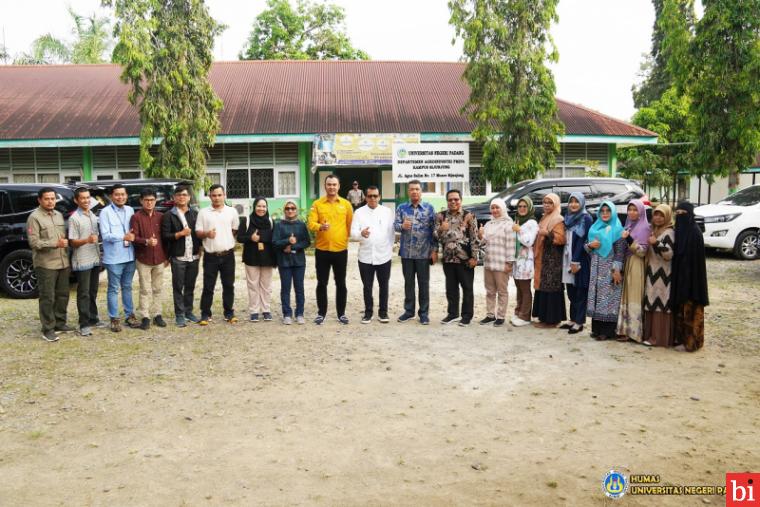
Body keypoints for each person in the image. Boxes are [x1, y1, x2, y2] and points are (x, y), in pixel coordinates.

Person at [27, 187, 72, 342]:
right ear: (40, 200)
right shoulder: (34, 217)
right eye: (47, 198)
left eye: (53, 198)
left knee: (63, 295)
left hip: (62, 262)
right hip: (45, 264)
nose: (50, 201)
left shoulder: (58, 215)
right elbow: (34, 242)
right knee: (47, 297)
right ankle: (48, 329)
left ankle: (60, 323)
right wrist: (55, 243)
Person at [307, 174, 353, 325]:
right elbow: (311, 224)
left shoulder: (346, 204)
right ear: (325, 186)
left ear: (339, 186)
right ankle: (321, 313)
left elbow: (350, 225)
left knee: (341, 283)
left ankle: (341, 314)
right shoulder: (317, 204)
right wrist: (321, 227)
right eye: (329, 184)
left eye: (334, 184)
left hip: (340, 250)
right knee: (322, 283)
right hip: (322, 250)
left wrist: (343, 239)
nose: (332, 187)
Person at [394, 179, 437, 325]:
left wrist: (434, 250)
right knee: (409, 283)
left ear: (421, 191)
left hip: (423, 254)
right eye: (412, 189)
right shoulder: (401, 208)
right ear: (408, 191)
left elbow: (434, 231)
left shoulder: (429, 208)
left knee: (423, 284)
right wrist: (402, 226)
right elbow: (395, 225)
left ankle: (424, 313)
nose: (414, 192)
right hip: (406, 253)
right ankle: (409, 311)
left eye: (417, 189)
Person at [434, 188, 480, 326]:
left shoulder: (469, 216)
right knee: (451, 288)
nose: (453, 202)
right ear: (447, 201)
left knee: (467, 287)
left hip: (465, 259)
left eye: (456, 199)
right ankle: (452, 314)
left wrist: (475, 257)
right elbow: (435, 236)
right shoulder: (440, 216)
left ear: (461, 200)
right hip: (448, 258)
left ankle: (466, 316)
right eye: (450, 199)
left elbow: (474, 237)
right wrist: (442, 229)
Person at [350, 185, 395, 324]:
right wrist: (360, 234)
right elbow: (352, 233)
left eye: (375, 196)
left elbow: (391, 233)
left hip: (384, 256)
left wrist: (388, 248)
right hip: (365, 256)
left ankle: (383, 313)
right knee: (367, 286)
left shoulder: (387, 211)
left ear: (379, 197)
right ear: (365, 198)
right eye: (370, 196)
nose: (373, 198)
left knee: (384, 285)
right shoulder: (358, 213)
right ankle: (368, 313)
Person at [196, 184, 239, 325]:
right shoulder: (203, 212)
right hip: (210, 256)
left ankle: (229, 312)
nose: (217, 198)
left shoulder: (232, 211)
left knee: (228, 285)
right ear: (210, 196)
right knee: (208, 286)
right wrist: (207, 234)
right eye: (214, 195)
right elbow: (198, 232)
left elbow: (234, 230)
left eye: (219, 195)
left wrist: (224, 240)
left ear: (224, 195)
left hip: (228, 255)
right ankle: (205, 313)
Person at [99, 183, 139, 332]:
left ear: (126, 196)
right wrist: (124, 236)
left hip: (130, 256)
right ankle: (114, 318)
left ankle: (130, 316)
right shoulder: (105, 212)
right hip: (114, 257)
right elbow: (106, 235)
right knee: (114, 288)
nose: (120, 197)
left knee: (128, 287)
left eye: (123, 194)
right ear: (111, 196)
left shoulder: (130, 210)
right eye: (117, 194)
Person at [161, 184, 201, 327]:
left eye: (184, 195)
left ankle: (188, 312)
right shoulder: (168, 215)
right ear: (174, 198)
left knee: (190, 286)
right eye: (179, 195)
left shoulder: (195, 213)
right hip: (178, 257)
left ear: (189, 197)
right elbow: (165, 236)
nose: (182, 197)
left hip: (194, 256)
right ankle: (179, 315)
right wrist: (179, 234)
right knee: (178, 286)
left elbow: (199, 234)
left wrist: (200, 250)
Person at [586, 201, 626, 341]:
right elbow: (587, 248)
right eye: (602, 211)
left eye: (608, 211)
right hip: (595, 269)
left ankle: (607, 331)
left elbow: (620, 252)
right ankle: (596, 329)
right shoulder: (594, 228)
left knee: (609, 300)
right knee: (597, 298)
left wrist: (617, 271)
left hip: (610, 269)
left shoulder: (618, 230)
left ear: (613, 212)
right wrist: (590, 245)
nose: (604, 213)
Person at [672, 201, 709, 352]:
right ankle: (682, 340)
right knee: (681, 310)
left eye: (683, 213)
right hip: (681, 278)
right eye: (677, 213)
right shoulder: (679, 231)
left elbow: (696, 262)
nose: (680, 216)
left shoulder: (694, 233)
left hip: (693, 281)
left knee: (692, 311)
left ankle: (692, 343)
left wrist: (688, 279)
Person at [68, 187, 104, 336]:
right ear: (76, 200)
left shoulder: (92, 215)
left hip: (95, 258)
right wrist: (87, 240)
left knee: (93, 291)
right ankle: (83, 324)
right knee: (83, 292)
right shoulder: (74, 218)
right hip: (82, 260)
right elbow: (72, 242)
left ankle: (93, 318)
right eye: (82, 198)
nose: (86, 200)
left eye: (88, 197)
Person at [130, 187, 168, 330]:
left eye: (152, 200)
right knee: (145, 289)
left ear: (155, 200)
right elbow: (134, 238)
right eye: (146, 200)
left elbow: (165, 238)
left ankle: (157, 314)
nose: (149, 203)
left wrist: (166, 256)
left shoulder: (160, 216)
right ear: (141, 201)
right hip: (143, 259)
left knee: (158, 288)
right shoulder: (136, 217)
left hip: (159, 258)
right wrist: (146, 241)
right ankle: (145, 316)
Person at [616, 199, 650, 343]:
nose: (632, 212)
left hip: (637, 264)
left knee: (634, 296)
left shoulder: (645, 228)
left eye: (635, 210)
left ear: (641, 211)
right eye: (630, 209)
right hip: (627, 263)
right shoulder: (628, 225)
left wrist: (629, 239)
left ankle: (635, 333)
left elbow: (642, 252)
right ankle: (624, 330)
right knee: (626, 296)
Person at [477, 198, 515, 327]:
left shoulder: (508, 224)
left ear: (503, 208)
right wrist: (480, 235)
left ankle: (501, 316)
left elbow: (511, 245)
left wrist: (509, 263)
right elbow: (482, 243)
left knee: (502, 291)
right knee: (490, 291)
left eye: (497, 207)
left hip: (501, 264)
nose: (495, 210)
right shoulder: (488, 224)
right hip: (488, 263)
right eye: (492, 208)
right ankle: (490, 315)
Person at [239, 197, 277, 322]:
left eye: (264, 206)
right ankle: (254, 311)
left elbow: (274, 238)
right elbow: (240, 238)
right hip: (251, 257)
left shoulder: (271, 221)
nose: (261, 209)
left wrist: (262, 238)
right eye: (259, 206)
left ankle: (266, 310)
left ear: (267, 208)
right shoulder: (246, 220)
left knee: (266, 285)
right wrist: (251, 238)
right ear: (254, 207)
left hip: (268, 257)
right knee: (253, 285)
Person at [272, 200, 310, 325]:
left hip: (299, 261)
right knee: (285, 288)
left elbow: (307, 242)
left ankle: (300, 313)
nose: (290, 210)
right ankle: (287, 314)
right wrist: (287, 241)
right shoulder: (279, 224)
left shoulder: (301, 224)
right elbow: (275, 242)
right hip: (284, 262)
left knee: (299, 288)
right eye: (288, 208)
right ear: (284, 210)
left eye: (293, 208)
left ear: (296, 210)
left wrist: (293, 247)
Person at [532, 193, 567, 328]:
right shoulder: (544, 217)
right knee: (542, 287)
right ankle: (543, 318)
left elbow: (560, 239)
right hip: (543, 257)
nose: (546, 205)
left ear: (556, 204)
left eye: (550, 202)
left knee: (551, 288)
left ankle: (552, 320)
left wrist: (547, 234)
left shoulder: (557, 219)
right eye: (545, 202)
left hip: (553, 259)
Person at [643, 204, 675, 347]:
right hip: (652, 272)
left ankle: (658, 338)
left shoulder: (669, 233)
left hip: (663, 274)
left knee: (660, 303)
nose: (658, 218)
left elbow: (668, 254)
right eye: (656, 214)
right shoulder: (654, 230)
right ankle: (650, 335)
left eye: (662, 215)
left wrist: (656, 243)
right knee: (651, 301)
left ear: (668, 216)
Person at [560, 192, 593, 334]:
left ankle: (579, 322)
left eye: (576, 202)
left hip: (580, 260)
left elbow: (583, 241)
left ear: (582, 203)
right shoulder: (567, 218)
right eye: (571, 201)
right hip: (567, 258)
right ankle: (573, 319)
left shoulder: (586, 218)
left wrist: (576, 260)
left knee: (580, 290)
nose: (573, 204)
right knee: (571, 291)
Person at [511, 198, 538, 327]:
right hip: (517, 260)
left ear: (530, 208)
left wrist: (518, 230)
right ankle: (518, 312)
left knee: (525, 289)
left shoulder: (532, 222)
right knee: (519, 288)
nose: (521, 208)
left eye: (524, 206)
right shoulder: (517, 220)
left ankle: (525, 316)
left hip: (526, 261)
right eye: (520, 206)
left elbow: (529, 241)